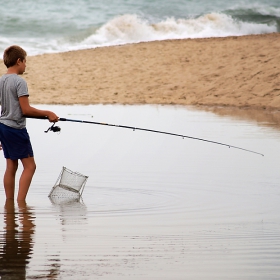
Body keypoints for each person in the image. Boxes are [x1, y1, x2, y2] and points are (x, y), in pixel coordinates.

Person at [0, 45, 59, 201]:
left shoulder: (1, 81)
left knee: (11, 166)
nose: (25, 65)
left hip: (3, 128)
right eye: (25, 62)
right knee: (30, 166)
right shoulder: (19, 82)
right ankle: (21, 203)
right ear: (19, 61)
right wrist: (48, 113)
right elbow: (25, 110)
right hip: (16, 129)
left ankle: (9, 203)